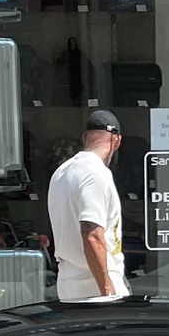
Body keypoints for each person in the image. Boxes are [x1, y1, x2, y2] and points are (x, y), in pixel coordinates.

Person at [46, 109, 126, 303]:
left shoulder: (61, 172)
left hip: (67, 284)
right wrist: (108, 290)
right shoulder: (96, 173)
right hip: (95, 289)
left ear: (84, 137)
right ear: (117, 141)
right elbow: (92, 235)